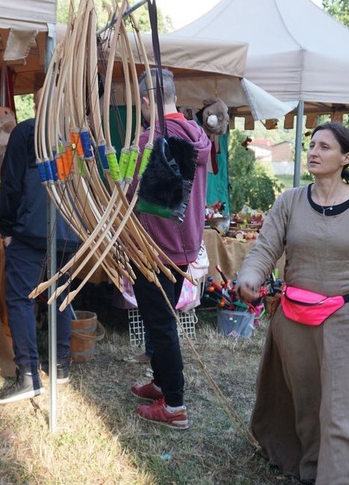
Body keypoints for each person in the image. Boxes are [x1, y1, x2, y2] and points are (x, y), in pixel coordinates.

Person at [236, 122, 349, 483]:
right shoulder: (290, 200)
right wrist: (250, 276)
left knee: (344, 408)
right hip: (294, 320)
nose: (314, 152)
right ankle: (310, 469)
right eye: (312, 145)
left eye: (325, 147)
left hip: (347, 317)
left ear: (346, 157)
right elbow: (265, 248)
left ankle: (342, 476)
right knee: (307, 405)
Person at [127, 68, 210, 430]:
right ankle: (161, 383)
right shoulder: (196, 133)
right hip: (182, 242)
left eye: (141, 104)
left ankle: (174, 405)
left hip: (157, 246)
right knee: (156, 317)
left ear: (147, 101)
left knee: (161, 323)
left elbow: (133, 193)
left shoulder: (155, 137)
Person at [0, 93, 79, 405]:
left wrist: (8, 228)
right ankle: (60, 366)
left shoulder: (28, 132)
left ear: (40, 105)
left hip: (33, 230)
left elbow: (11, 184)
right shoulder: (77, 136)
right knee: (60, 294)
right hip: (70, 230)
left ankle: (28, 375)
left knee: (20, 299)